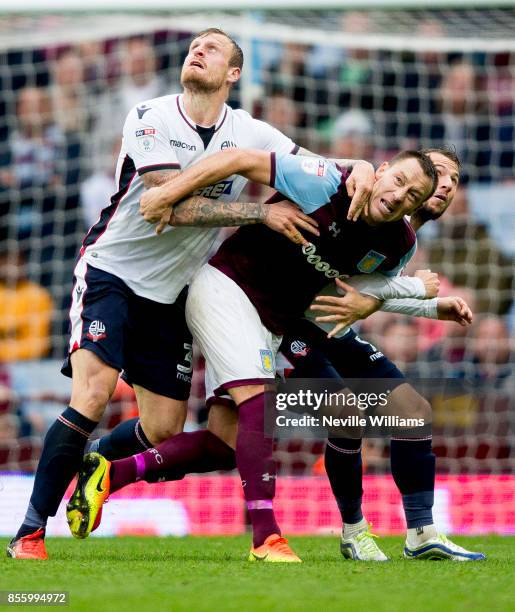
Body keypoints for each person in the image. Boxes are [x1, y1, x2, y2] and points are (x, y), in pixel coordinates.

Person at [8, 27, 372, 560]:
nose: (197, 51)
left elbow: (316, 170)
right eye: (194, 45)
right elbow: (166, 205)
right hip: (112, 273)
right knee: (92, 394)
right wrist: (259, 211)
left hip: (172, 293)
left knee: (163, 429)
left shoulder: (249, 131)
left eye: (213, 48)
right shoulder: (150, 116)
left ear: (233, 74)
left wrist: (357, 167)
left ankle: (99, 465)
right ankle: (30, 532)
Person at [70, 147, 438, 562]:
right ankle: (267, 538)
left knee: (227, 443)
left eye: (414, 195)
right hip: (227, 289)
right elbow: (243, 159)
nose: (401, 194)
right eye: (399, 180)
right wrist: (185, 196)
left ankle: (110, 472)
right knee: (263, 406)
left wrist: (429, 303)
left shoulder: (399, 244)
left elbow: (371, 292)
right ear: (383, 170)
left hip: (277, 326)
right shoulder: (325, 181)